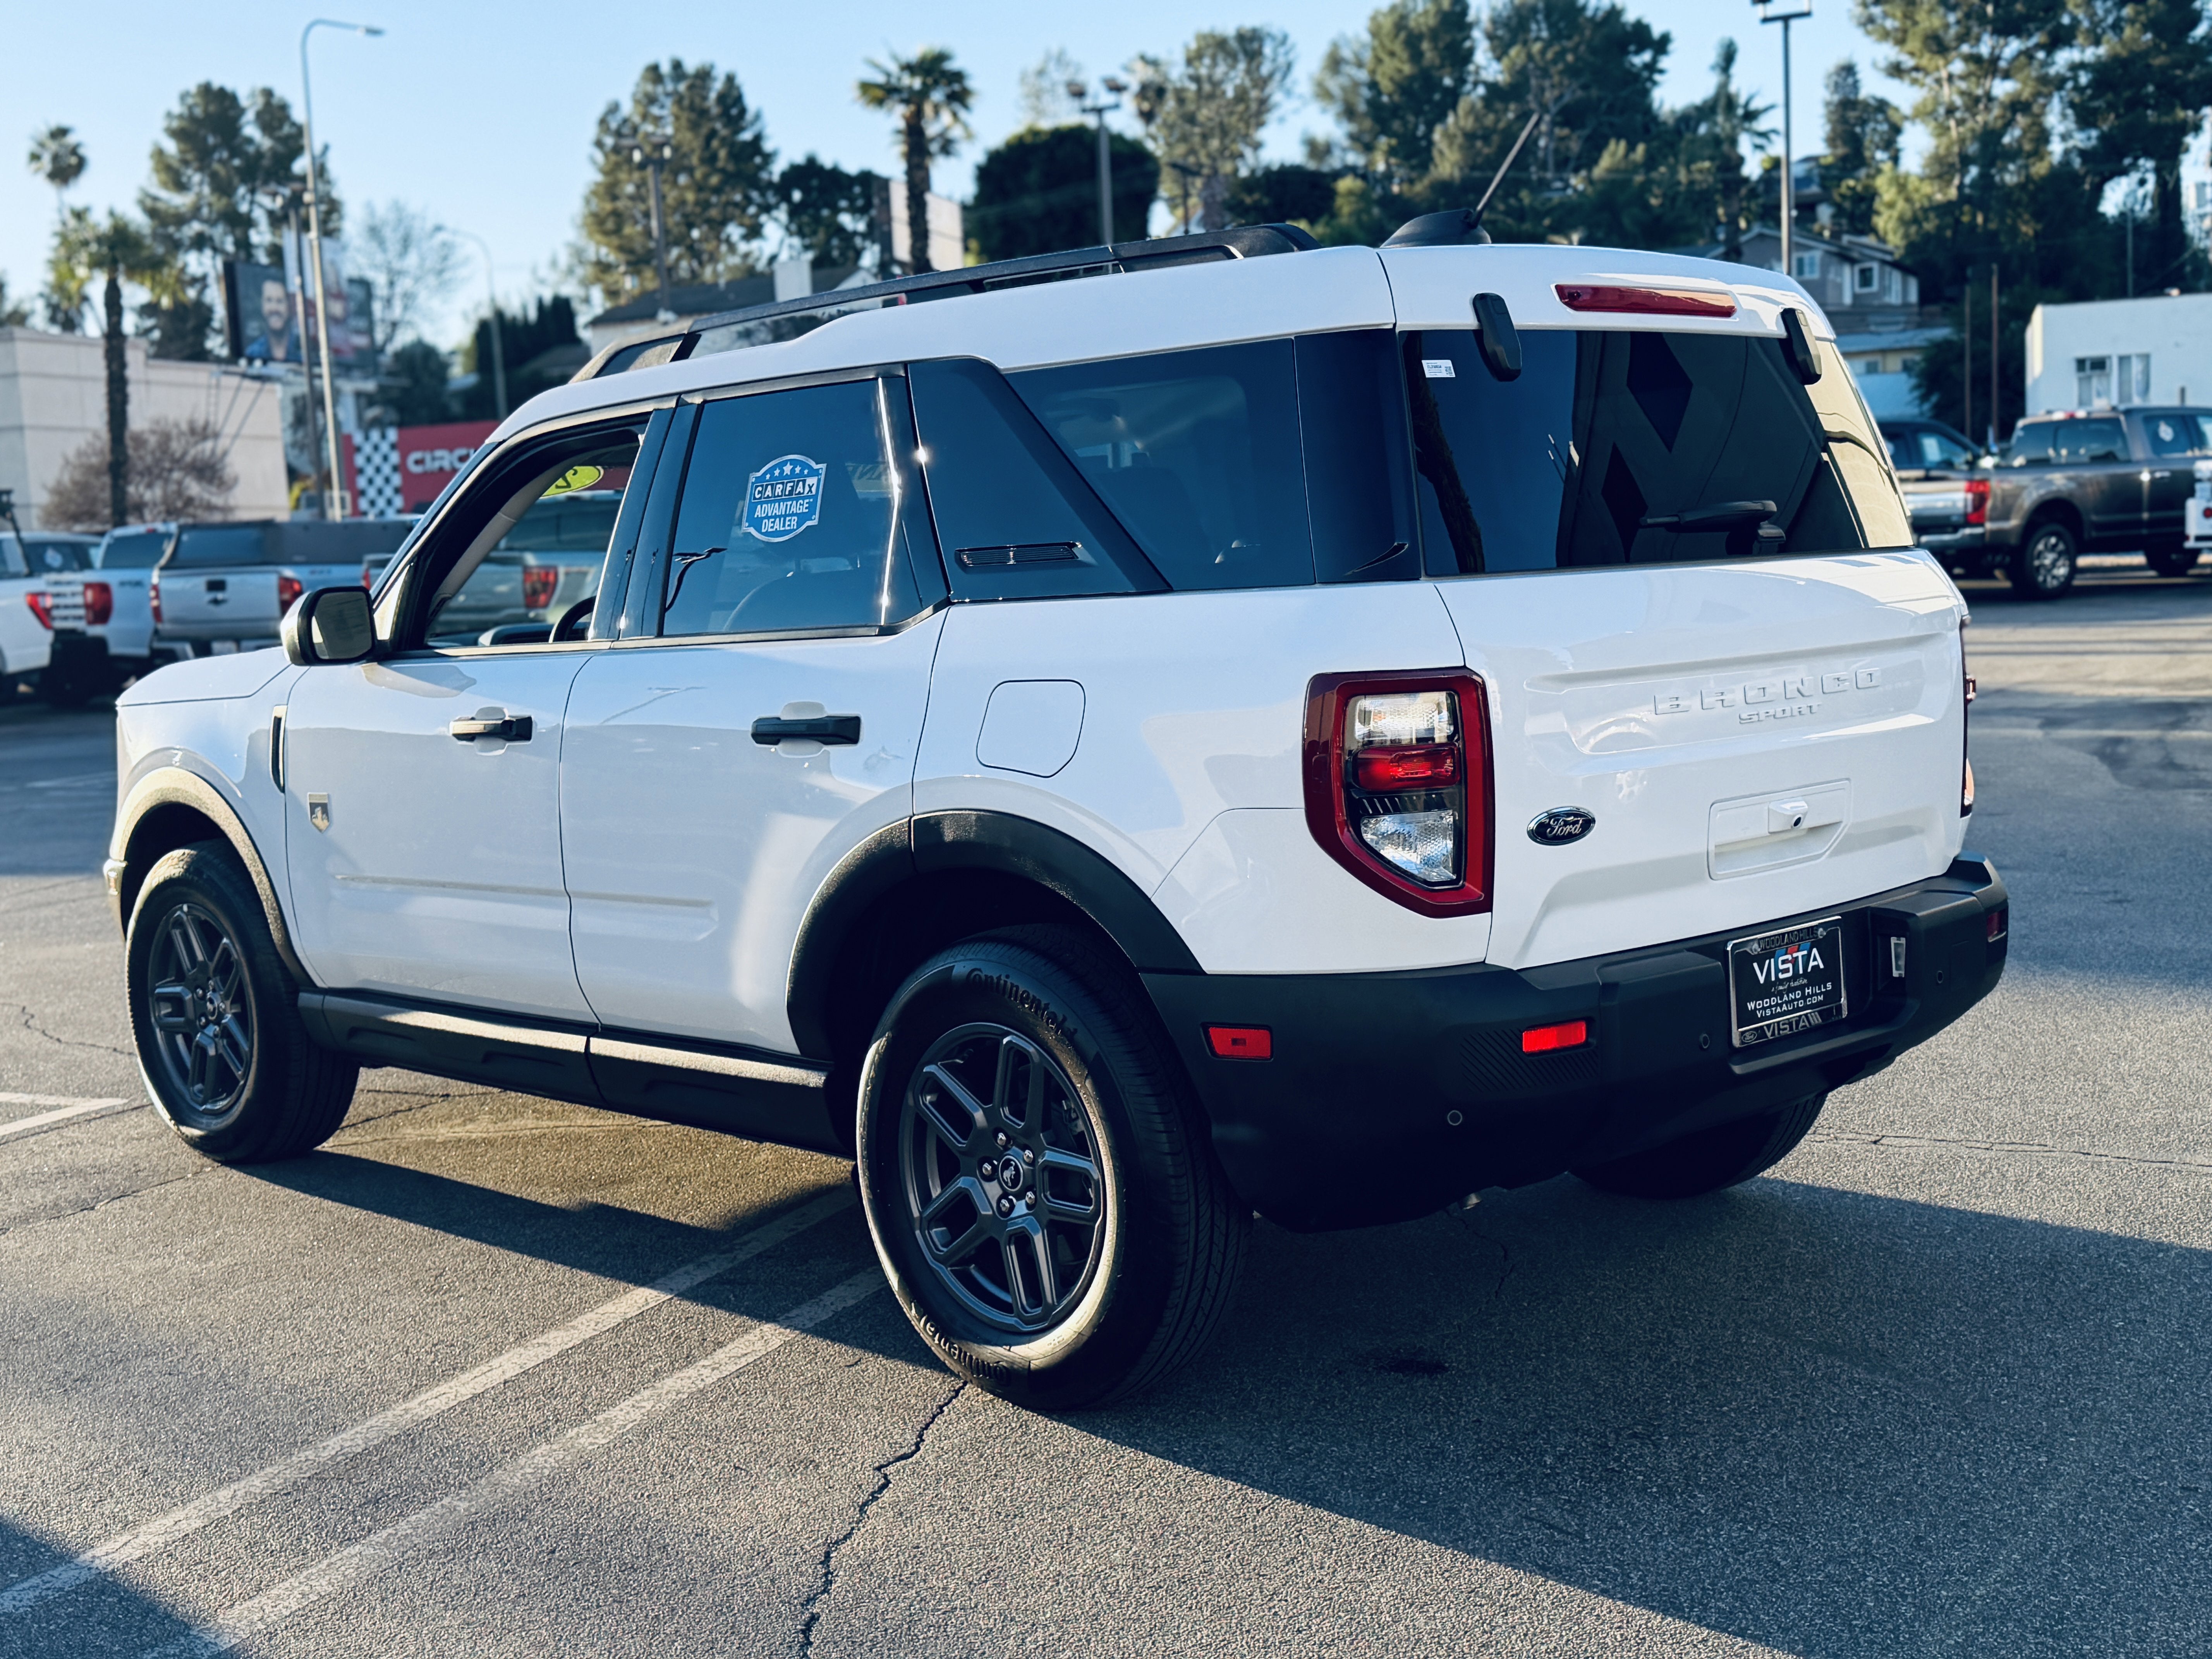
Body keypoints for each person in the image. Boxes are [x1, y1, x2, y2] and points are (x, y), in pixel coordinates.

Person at [244, 275, 299, 362]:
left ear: (289, 306)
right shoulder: (253, 353)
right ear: (262, 305)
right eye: (269, 300)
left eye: (280, 301)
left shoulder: (306, 350)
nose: (274, 308)